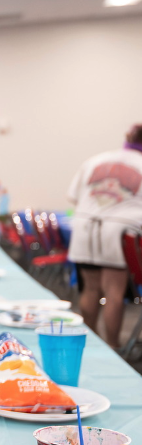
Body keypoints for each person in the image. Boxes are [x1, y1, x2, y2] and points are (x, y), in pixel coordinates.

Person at [67, 124, 142, 348]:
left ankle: (89, 345)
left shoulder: (97, 159)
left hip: (84, 226)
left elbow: (73, 196)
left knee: (90, 289)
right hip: (119, 230)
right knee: (114, 293)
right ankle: (112, 347)